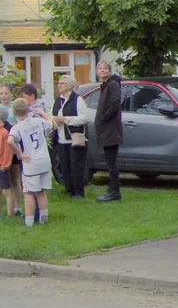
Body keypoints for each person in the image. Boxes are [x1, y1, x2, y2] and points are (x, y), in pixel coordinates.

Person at [9, 97, 53, 227]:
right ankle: (43, 219)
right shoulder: (39, 121)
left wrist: (20, 154)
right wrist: (43, 113)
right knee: (41, 192)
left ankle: (29, 221)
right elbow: (53, 123)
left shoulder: (17, 128)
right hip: (44, 160)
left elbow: (10, 141)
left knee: (28, 192)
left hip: (31, 163)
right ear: (29, 109)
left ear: (14, 112)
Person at [49, 75, 91, 199]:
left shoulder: (78, 100)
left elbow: (83, 118)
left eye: (62, 83)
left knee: (76, 166)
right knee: (64, 165)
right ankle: (69, 190)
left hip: (74, 138)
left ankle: (79, 192)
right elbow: (51, 115)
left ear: (70, 86)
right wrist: (54, 120)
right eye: (59, 83)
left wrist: (66, 119)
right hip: (61, 139)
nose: (59, 85)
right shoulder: (57, 101)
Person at [93, 60, 124, 202]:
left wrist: (104, 118)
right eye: (100, 68)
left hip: (111, 129)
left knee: (111, 162)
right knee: (109, 161)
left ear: (109, 71)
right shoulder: (105, 86)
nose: (102, 71)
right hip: (105, 129)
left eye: (105, 68)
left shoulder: (113, 85)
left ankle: (114, 192)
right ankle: (112, 189)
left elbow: (115, 103)